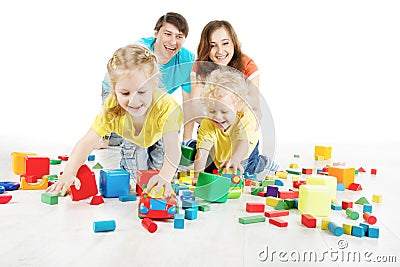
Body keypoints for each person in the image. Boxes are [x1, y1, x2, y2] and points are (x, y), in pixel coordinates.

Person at [47, 44, 182, 197]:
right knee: (137, 180)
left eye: (142, 91)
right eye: (125, 93)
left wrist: (164, 176)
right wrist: (69, 172)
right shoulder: (113, 108)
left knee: (161, 173)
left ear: (154, 84)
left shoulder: (166, 107)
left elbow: (173, 148)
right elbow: (88, 141)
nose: (133, 100)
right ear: (114, 88)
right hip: (136, 136)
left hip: (161, 133)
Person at [97, 12, 195, 149]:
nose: (173, 42)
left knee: (149, 140)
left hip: (148, 95)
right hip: (120, 91)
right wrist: (105, 134)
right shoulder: (141, 51)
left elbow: (189, 102)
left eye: (179, 37)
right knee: (118, 139)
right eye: (167, 34)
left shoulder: (188, 61)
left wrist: (187, 140)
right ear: (156, 33)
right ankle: (108, 137)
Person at [184, 20, 261, 146]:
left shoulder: (248, 66)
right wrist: (217, 124)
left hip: (239, 128)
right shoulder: (200, 67)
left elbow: (255, 109)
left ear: (234, 43)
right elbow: (195, 108)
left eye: (225, 43)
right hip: (213, 124)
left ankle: (259, 161)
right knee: (206, 161)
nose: (220, 51)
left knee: (241, 163)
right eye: (213, 45)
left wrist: (232, 128)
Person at [193, 68, 278, 183]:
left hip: (244, 152)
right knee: (214, 168)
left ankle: (262, 162)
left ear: (239, 105)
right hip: (222, 152)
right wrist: (197, 176)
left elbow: (243, 142)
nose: (217, 117)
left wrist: (235, 159)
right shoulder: (208, 123)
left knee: (247, 169)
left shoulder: (245, 118)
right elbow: (202, 151)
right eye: (212, 111)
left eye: (224, 112)